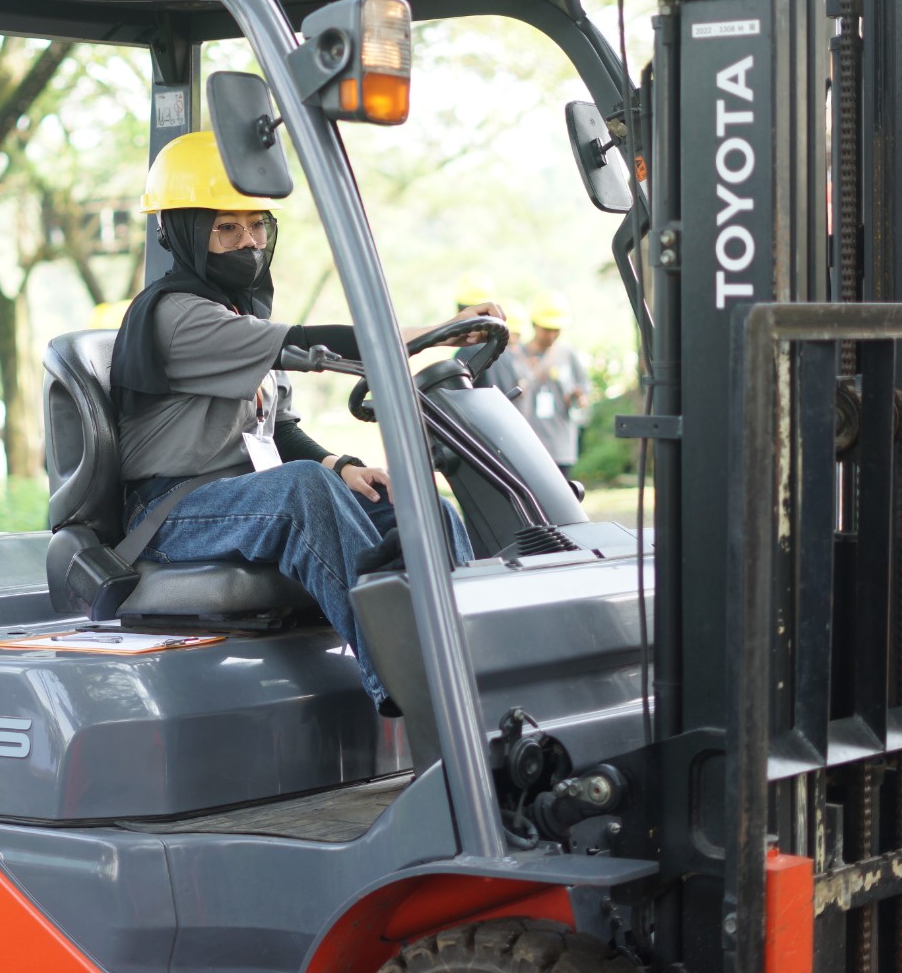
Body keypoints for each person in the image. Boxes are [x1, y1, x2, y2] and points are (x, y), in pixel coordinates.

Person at [109, 132, 491, 714]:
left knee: (423, 507)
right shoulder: (178, 315)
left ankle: (480, 666)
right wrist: (431, 332)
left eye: (256, 224)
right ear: (183, 231)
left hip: (241, 500)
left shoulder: (235, 315)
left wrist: (343, 465)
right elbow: (314, 344)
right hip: (171, 512)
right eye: (226, 229)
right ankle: (413, 684)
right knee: (301, 491)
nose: (250, 242)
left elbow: (276, 432)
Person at [511, 297, 591, 480]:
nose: (552, 335)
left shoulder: (568, 355)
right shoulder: (516, 355)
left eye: (556, 330)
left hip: (560, 446)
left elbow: (584, 392)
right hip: (528, 445)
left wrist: (578, 398)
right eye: (547, 329)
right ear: (534, 325)